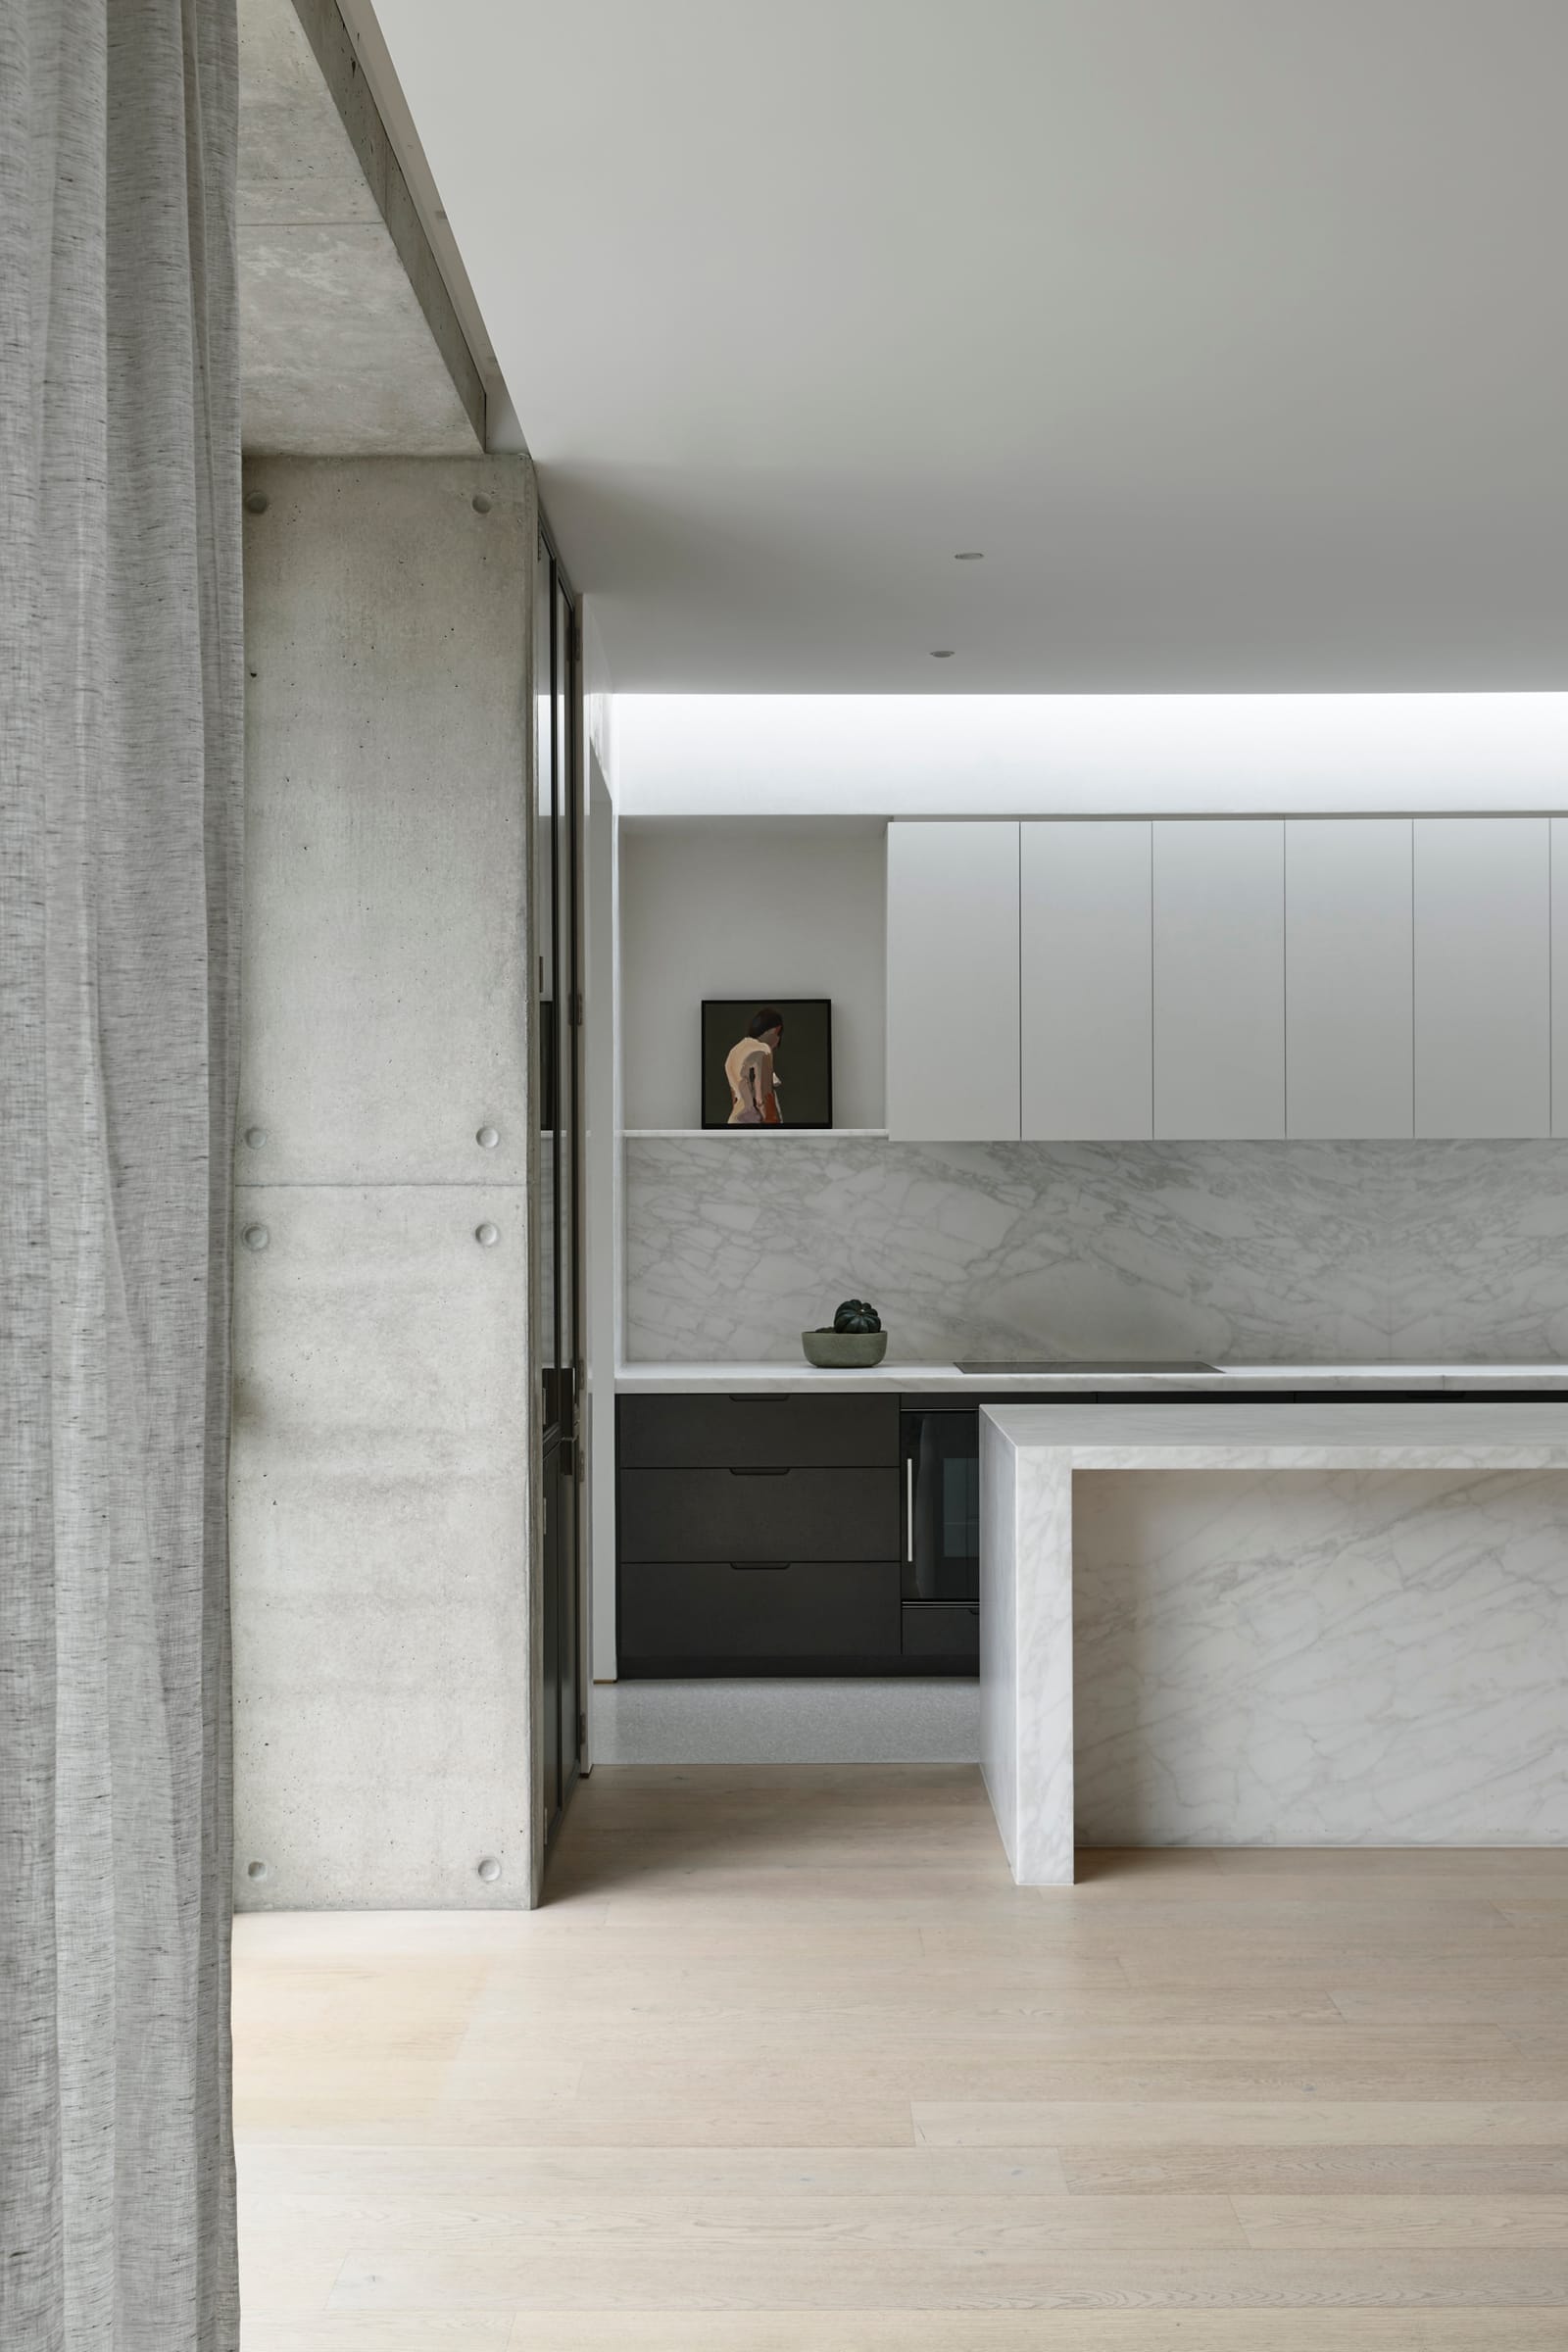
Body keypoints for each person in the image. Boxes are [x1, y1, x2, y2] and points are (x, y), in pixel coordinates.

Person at [724, 1005, 785, 1124]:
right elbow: (763, 1098)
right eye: (779, 1037)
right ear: (777, 1030)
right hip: (756, 1123)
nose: (776, 1045)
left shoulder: (734, 1052)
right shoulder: (762, 1050)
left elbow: (736, 1099)